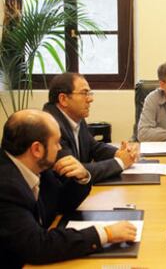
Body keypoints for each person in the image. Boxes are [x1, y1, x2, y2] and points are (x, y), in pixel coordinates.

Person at [0, 110, 137, 267]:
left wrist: (82, 178)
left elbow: (61, 204)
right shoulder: (6, 187)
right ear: (37, 149)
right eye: (56, 142)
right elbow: (38, 246)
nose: (59, 148)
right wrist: (105, 233)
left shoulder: (37, 167)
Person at [43, 72, 138, 184]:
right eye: (84, 93)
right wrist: (120, 162)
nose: (90, 99)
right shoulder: (50, 127)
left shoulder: (75, 117)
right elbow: (73, 172)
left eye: (90, 93)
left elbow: (94, 147)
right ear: (63, 99)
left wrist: (119, 153)